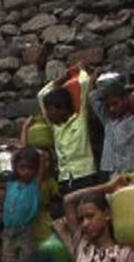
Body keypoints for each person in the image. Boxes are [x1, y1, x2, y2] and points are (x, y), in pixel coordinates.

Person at [37, 63, 99, 206]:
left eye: (50, 110)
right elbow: (41, 95)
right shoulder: (55, 128)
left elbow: (83, 83)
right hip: (65, 179)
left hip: (85, 175)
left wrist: (81, 69)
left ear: (61, 108)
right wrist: (61, 79)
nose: (46, 114)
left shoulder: (80, 119)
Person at [90, 79, 134, 177]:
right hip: (114, 172)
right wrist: (116, 87)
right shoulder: (108, 121)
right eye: (108, 105)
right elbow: (93, 97)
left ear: (126, 99)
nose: (112, 109)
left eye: (115, 103)